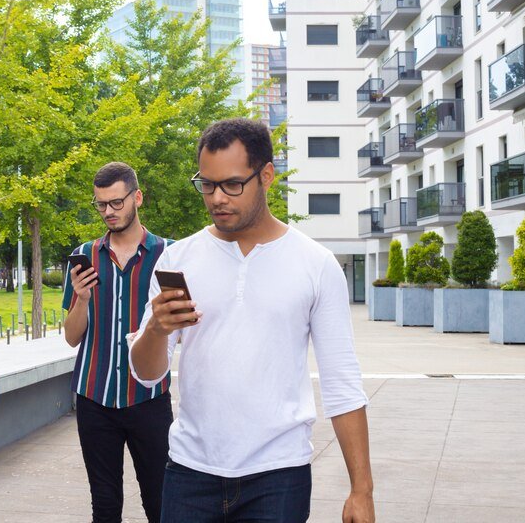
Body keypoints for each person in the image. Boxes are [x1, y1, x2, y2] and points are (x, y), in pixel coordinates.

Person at [129, 119, 374, 523]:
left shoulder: (315, 264)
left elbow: (342, 383)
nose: (217, 198)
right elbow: (146, 374)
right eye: (206, 184)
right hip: (190, 472)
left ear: (266, 176)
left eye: (231, 184)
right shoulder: (178, 259)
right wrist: (155, 329)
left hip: (279, 475)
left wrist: (361, 489)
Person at [63, 162, 174, 523]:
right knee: (105, 505)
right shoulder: (85, 255)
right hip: (94, 398)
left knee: (160, 502)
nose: (109, 212)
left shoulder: (169, 255)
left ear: (137, 197)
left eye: (116, 202)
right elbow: (71, 337)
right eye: (101, 205)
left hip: (150, 400)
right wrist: (81, 298)